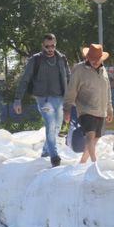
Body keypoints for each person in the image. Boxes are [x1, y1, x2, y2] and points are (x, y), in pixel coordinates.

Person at [13, 33, 71, 167]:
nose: (50, 48)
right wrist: (17, 99)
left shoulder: (62, 59)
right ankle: (54, 156)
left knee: (57, 127)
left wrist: (70, 99)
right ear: (42, 46)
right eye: (47, 46)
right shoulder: (35, 60)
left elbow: (69, 78)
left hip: (60, 98)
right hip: (43, 99)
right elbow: (25, 79)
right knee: (50, 125)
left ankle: (45, 151)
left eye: (53, 46)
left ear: (55, 44)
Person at [63, 43, 114, 164]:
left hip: (101, 110)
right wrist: (67, 108)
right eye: (92, 59)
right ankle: (95, 164)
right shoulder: (79, 69)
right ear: (87, 58)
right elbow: (72, 89)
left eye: (98, 59)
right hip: (86, 109)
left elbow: (107, 90)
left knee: (95, 140)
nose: (95, 62)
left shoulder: (103, 70)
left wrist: (109, 109)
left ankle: (82, 163)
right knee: (90, 137)